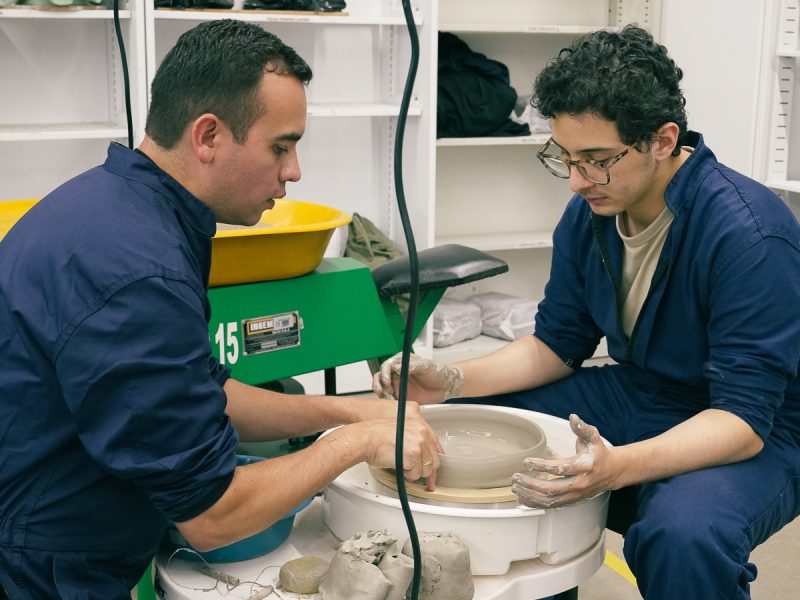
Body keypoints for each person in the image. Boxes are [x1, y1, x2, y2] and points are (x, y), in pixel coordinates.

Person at [0, 20, 441, 599]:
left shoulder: (123, 207)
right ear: (207, 136)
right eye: (280, 146)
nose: (294, 171)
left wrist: (350, 413)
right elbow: (212, 517)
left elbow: (200, 393)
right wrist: (352, 445)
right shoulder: (138, 273)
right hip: (38, 566)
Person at [375, 25, 800, 600]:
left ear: (663, 139)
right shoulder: (591, 214)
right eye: (565, 158)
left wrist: (618, 467)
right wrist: (452, 380)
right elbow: (557, 344)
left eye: (597, 159)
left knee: (681, 533)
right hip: (645, 389)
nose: (577, 181)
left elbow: (744, 421)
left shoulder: (749, 234)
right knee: (486, 433)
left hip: (760, 424)